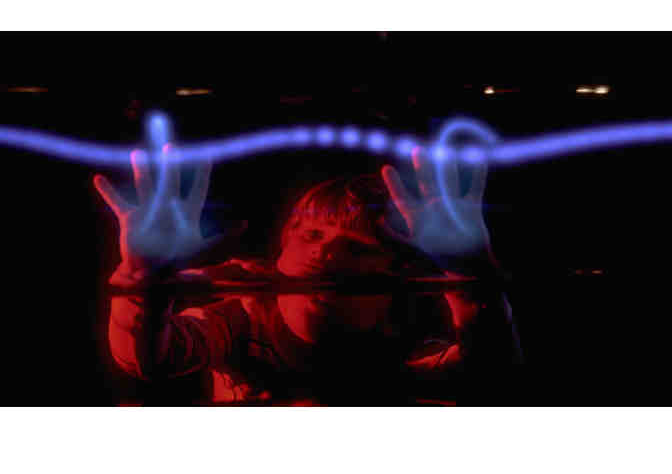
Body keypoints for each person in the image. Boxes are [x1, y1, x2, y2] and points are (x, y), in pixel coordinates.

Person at [95, 142, 521, 405]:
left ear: (396, 277)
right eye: (312, 233)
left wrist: (468, 275)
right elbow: (147, 360)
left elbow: (490, 372)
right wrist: (142, 276)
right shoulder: (239, 320)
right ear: (283, 246)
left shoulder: (402, 339)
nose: (325, 251)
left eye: (356, 246)